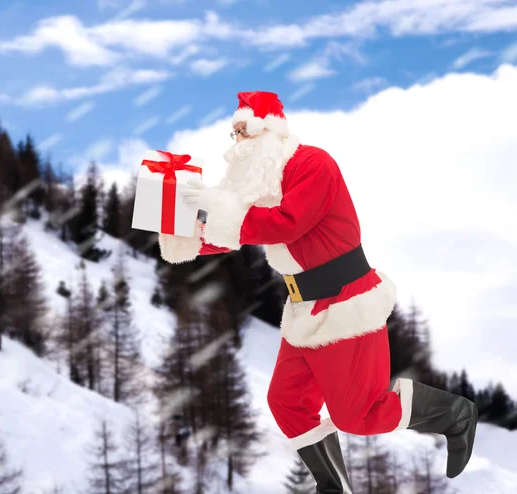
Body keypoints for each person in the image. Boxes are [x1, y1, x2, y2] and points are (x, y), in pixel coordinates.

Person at [157, 91, 478, 493]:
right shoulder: (264, 181)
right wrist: (185, 233)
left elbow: (285, 224)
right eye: (234, 133)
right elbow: (238, 229)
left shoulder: (314, 164)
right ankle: (334, 486)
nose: (236, 142)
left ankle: (455, 414)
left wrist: (221, 212)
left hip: (346, 301)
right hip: (305, 307)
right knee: (287, 401)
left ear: (268, 132)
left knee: (358, 416)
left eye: (244, 131)